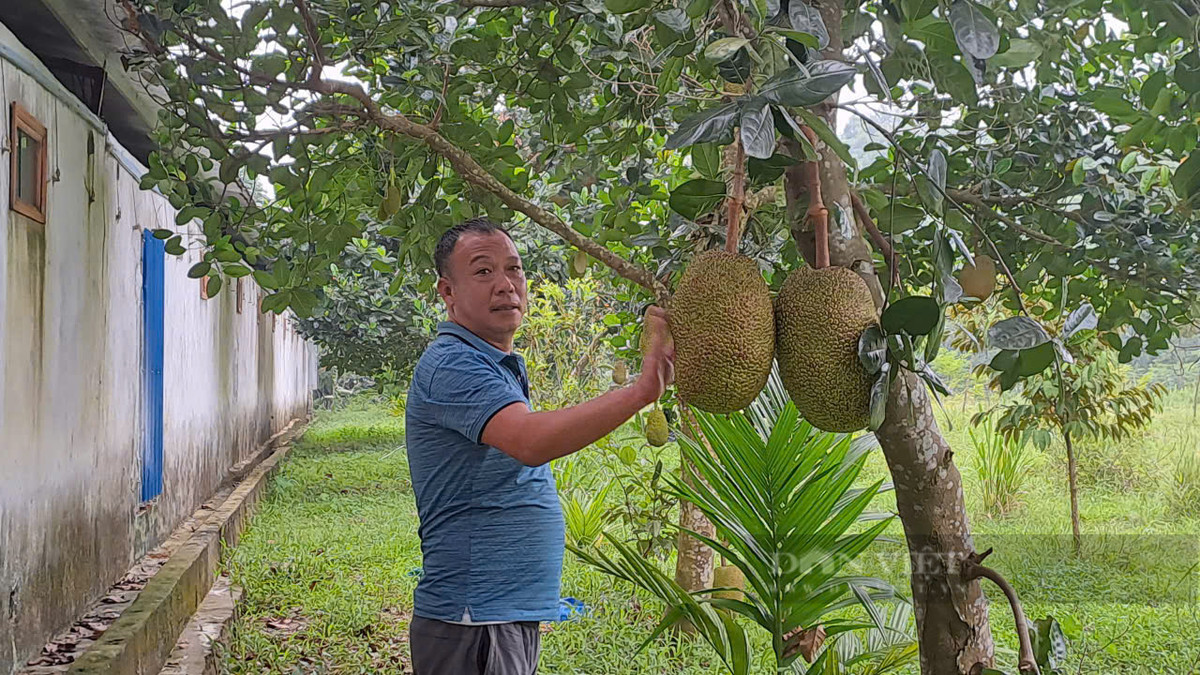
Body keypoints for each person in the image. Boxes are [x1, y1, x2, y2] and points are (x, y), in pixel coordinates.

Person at [404, 217, 675, 675]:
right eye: (484, 271)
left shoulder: (491, 362)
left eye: (514, 269)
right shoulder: (452, 365)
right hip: (474, 618)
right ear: (447, 292)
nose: (506, 285)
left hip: (500, 613)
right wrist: (639, 393)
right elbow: (531, 441)